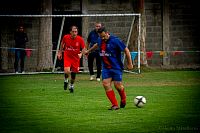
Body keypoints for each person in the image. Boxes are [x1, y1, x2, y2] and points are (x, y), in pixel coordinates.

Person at [85, 27, 133, 110]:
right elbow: (96, 45)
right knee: (105, 84)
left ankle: (123, 99)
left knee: (118, 86)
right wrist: (88, 51)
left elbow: (127, 51)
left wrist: (130, 63)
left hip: (116, 67)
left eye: (104, 36)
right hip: (106, 68)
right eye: (101, 37)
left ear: (107, 33)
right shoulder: (100, 40)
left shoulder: (115, 40)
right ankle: (115, 105)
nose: (103, 38)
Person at [57, 26, 87, 93]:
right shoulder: (66, 37)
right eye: (73, 31)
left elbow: (84, 48)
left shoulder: (80, 39)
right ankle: (66, 79)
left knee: (73, 75)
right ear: (70, 32)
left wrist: (81, 54)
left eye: (75, 32)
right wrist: (60, 52)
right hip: (67, 56)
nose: (74, 33)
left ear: (77, 32)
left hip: (75, 58)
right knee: (67, 71)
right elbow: (62, 44)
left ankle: (71, 85)